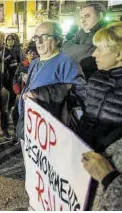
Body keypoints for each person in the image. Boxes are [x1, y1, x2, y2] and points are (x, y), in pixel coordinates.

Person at [16, 22, 86, 141]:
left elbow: (79, 98)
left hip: (52, 131)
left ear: (57, 39)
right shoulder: (34, 62)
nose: (39, 42)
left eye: (44, 37)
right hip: (32, 125)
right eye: (36, 38)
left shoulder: (67, 63)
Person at [78, 22, 122, 211]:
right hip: (87, 157)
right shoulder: (95, 79)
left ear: (119, 54)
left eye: (99, 49)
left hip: (109, 169)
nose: (93, 54)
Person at [63, 3, 107, 80]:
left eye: (87, 16)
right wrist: (87, 47)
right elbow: (65, 47)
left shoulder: (108, 33)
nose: (83, 21)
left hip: (94, 79)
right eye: (81, 17)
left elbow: (91, 56)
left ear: (100, 16)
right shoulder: (82, 32)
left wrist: (77, 47)